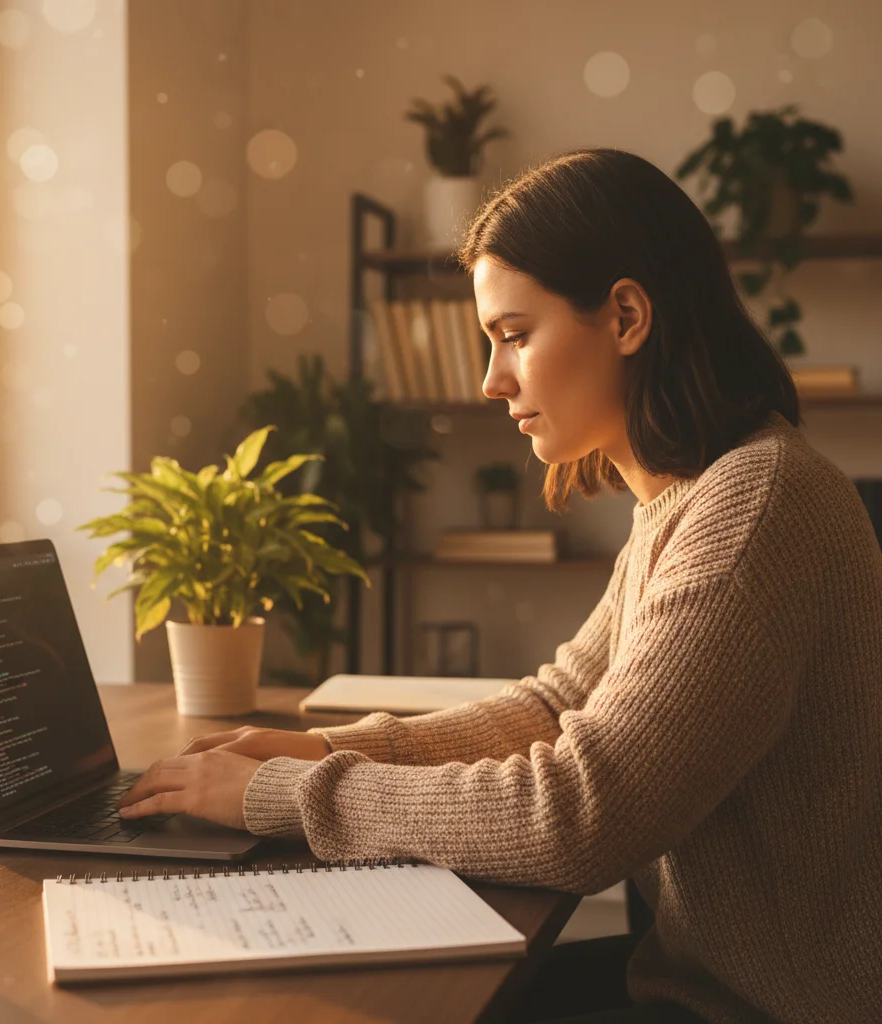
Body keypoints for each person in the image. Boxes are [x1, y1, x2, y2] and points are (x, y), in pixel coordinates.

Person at [117, 149, 882, 1023]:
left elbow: (580, 814)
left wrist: (283, 797)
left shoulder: (753, 506)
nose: (492, 379)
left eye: (515, 335)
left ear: (627, 316)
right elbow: (558, 706)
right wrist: (325, 751)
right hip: (700, 985)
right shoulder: (694, 497)